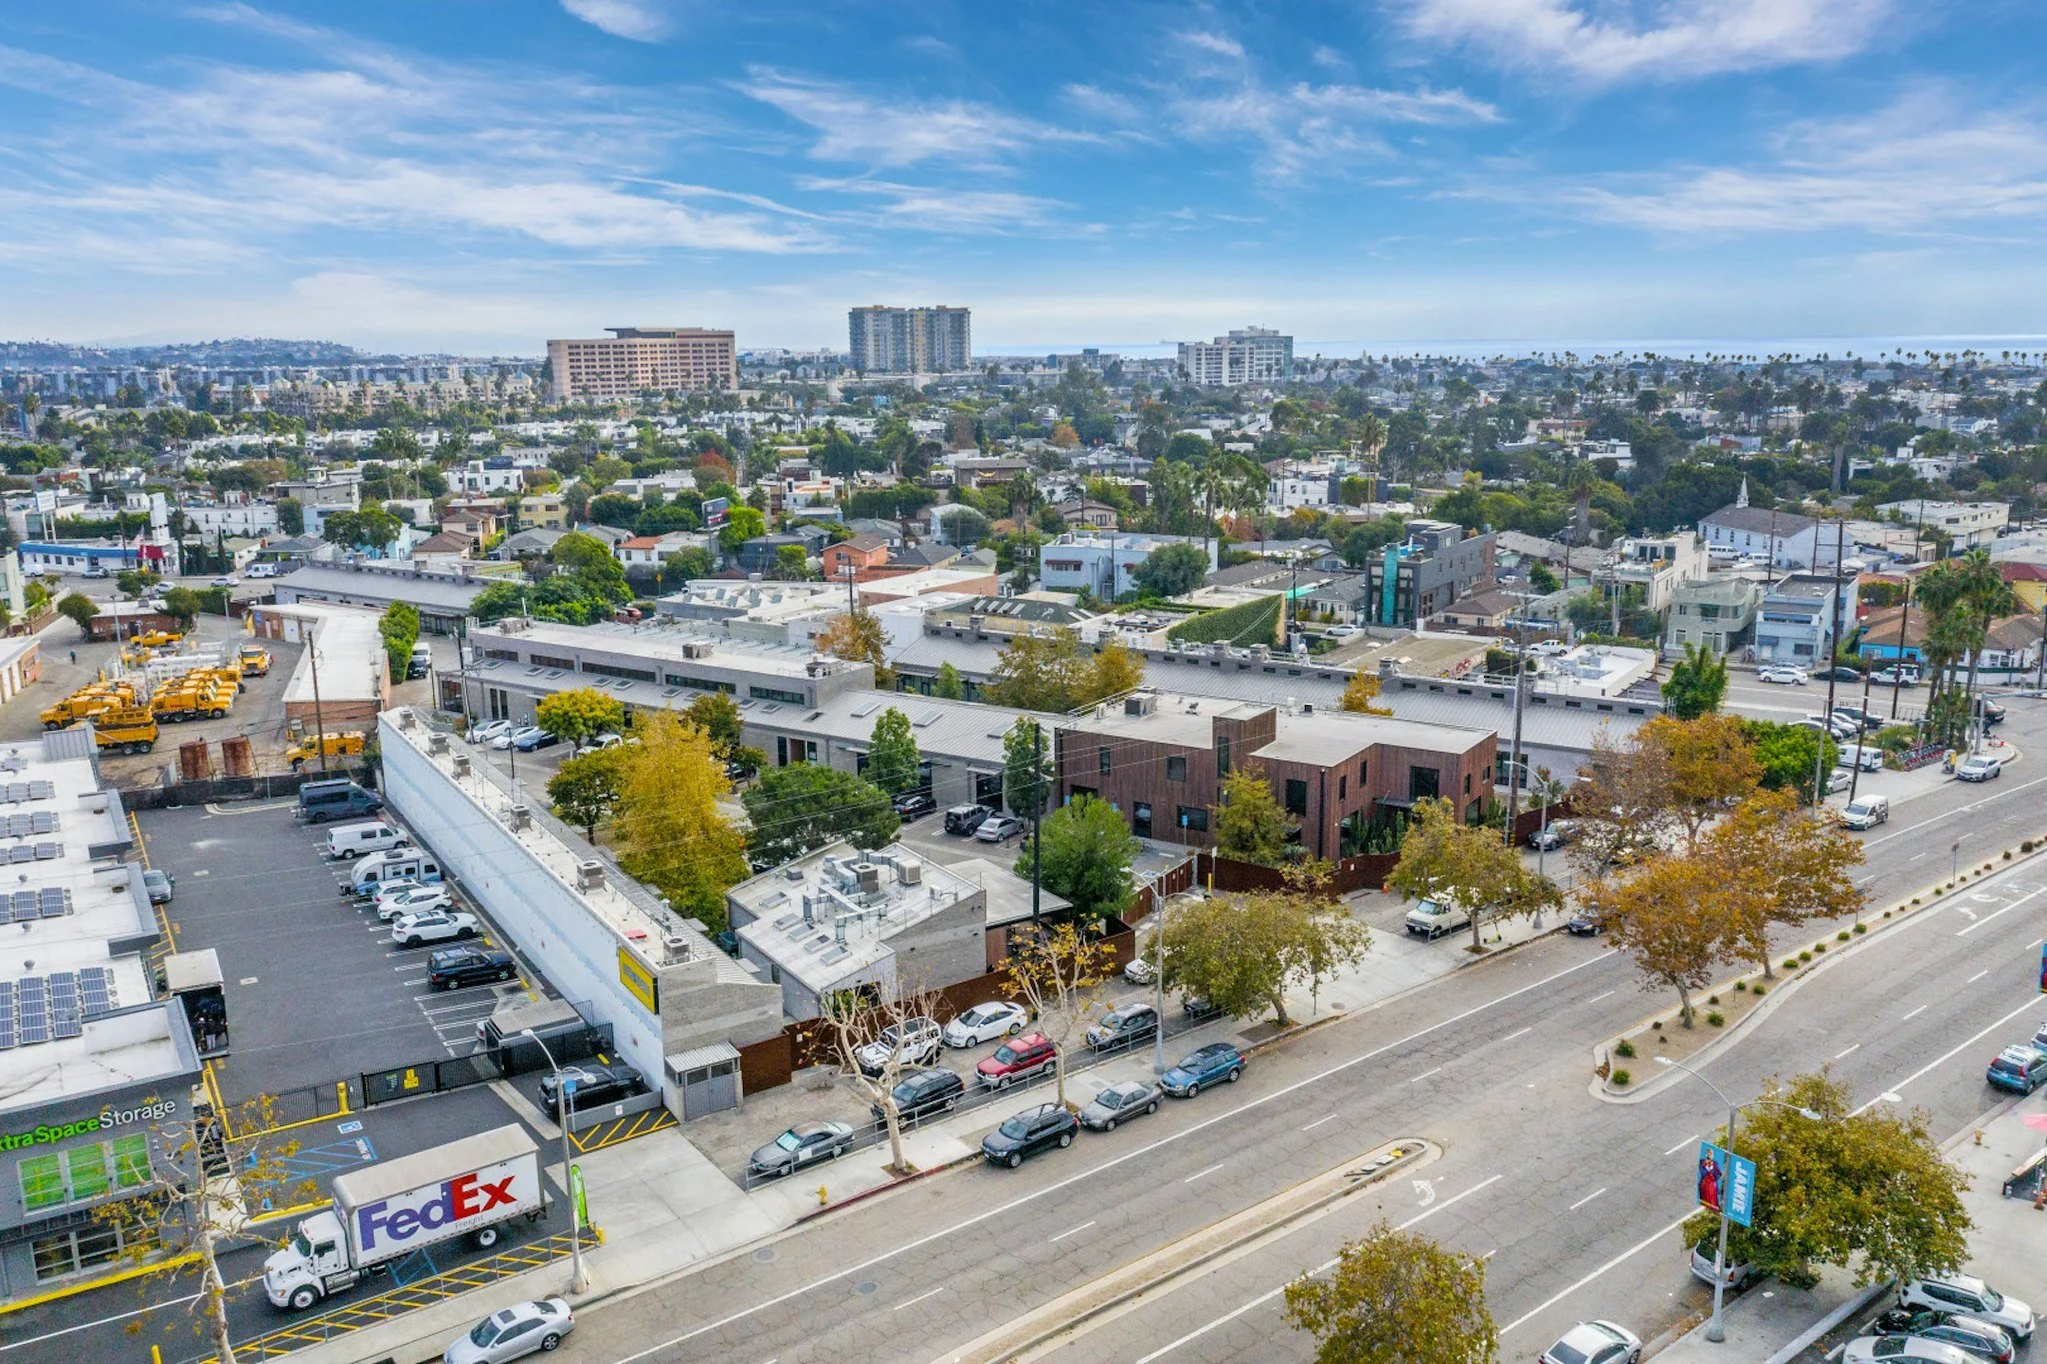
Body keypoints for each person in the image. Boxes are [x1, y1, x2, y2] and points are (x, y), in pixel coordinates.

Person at [1698, 1147, 1724, 1213]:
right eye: (1708, 1153)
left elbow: (1718, 1175)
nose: (1709, 1155)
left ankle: (1713, 1210)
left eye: (1711, 1154)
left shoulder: (1715, 1163)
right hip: (1704, 1184)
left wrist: (1713, 1172)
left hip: (1712, 1186)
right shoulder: (1701, 1162)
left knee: (1713, 1201)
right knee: (1704, 1201)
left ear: (1713, 1155)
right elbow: (1702, 1172)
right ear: (1706, 1154)